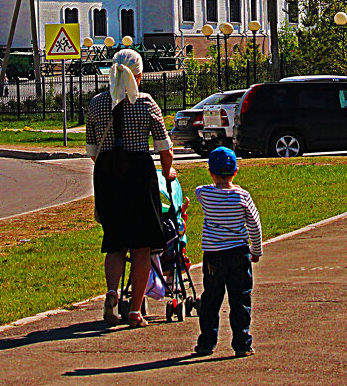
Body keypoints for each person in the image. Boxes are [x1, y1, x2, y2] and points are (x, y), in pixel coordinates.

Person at [86, 48, 176, 328]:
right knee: (141, 246)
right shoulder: (146, 103)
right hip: (139, 174)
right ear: (139, 74)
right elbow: (165, 147)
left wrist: (112, 165)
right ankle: (136, 310)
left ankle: (112, 293)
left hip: (108, 175)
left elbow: (91, 150)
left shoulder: (97, 103)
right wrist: (167, 169)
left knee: (114, 242)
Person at [193, 146, 263, 357]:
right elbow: (254, 224)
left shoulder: (205, 194)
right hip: (239, 253)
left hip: (213, 254)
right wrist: (256, 250)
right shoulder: (242, 196)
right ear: (235, 171)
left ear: (210, 172)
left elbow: (197, 190)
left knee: (211, 299)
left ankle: (206, 342)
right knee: (240, 299)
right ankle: (242, 343)